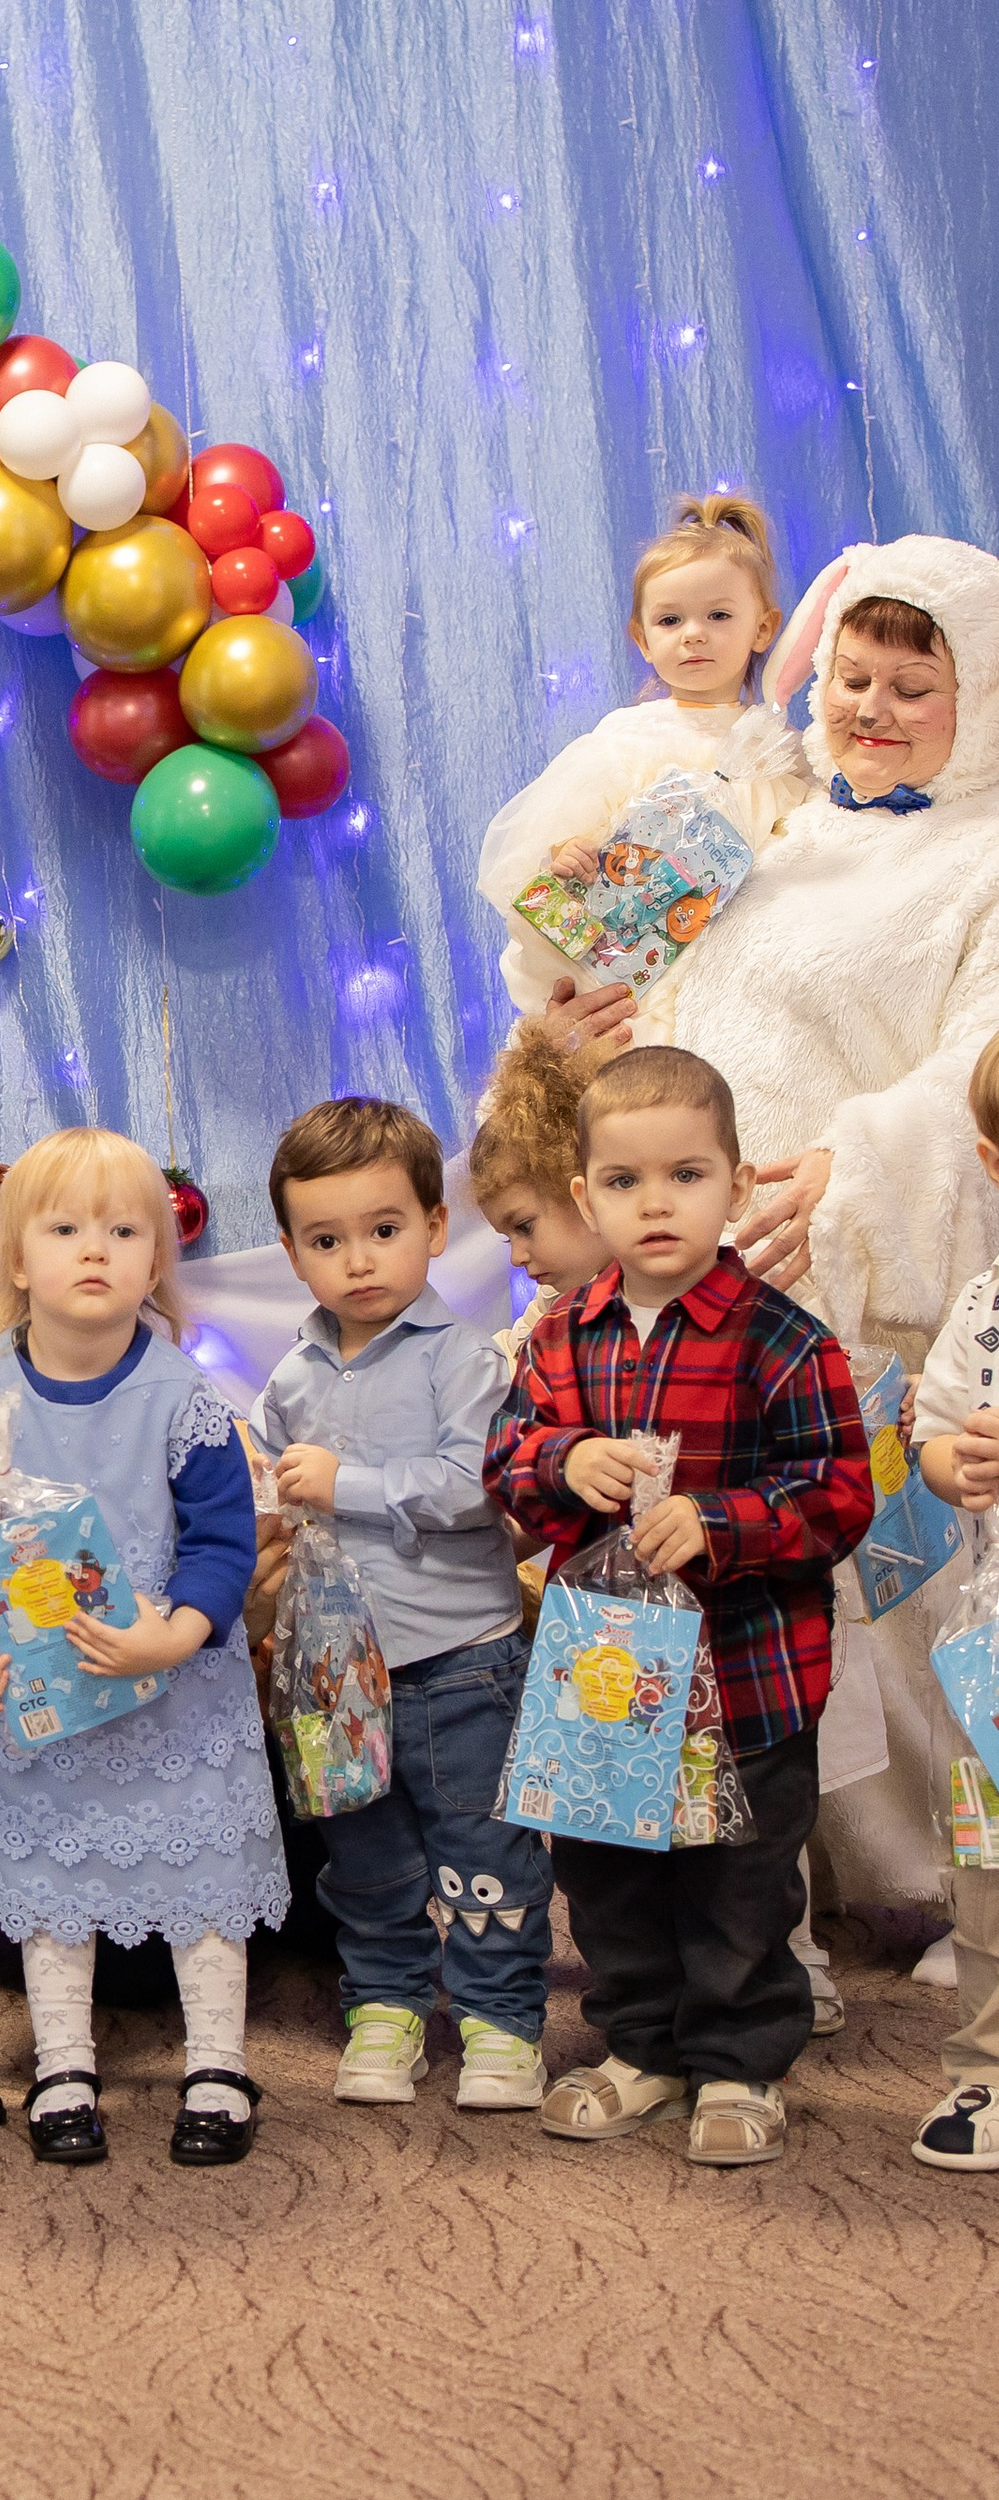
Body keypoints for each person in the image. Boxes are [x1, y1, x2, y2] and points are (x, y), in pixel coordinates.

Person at [528, 536, 999, 1914]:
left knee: (863, 1588)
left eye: (914, 685)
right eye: (854, 675)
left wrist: (853, 1171)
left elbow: (979, 1071)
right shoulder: (762, 803)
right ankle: (731, 1896)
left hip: (838, 1264)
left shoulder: (987, 859)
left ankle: (918, 1887)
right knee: (691, 1575)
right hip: (687, 1253)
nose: (870, 708)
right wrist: (572, 1014)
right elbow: (609, 962)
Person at [486, 1047, 872, 2167]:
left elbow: (839, 1490)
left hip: (744, 1674)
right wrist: (565, 1459)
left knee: (737, 1877)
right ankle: (642, 2044)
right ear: (582, 1196)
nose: (654, 1203)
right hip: (603, 1672)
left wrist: (724, 1520)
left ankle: (739, 2059)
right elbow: (505, 1461)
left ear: (736, 1186)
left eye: (686, 1175)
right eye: (622, 1181)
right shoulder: (559, 1336)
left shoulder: (782, 1339)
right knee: (605, 1867)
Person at [0, 1130, 286, 2170]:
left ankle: (217, 2060)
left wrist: (171, 1636)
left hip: (177, 1688)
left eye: (125, 1230)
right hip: (46, 1700)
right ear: (16, 1256)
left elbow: (223, 1542)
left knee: (206, 1869)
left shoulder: (184, 1398)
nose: (97, 1249)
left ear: (155, 1259)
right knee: (55, 1877)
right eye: (66, 1227)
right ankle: (64, 2060)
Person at [250, 1100, 555, 2112]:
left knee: (481, 1845)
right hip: (336, 1667)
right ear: (293, 1255)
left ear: (434, 1225)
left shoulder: (460, 1359)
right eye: (326, 1241)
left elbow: (477, 1486)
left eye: (384, 1230)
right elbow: (272, 1487)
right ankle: (382, 2000)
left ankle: (500, 2017)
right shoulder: (289, 1376)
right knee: (364, 1846)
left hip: (458, 1654)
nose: (359, 1260)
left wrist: (348, 1484)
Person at [476, 493, 806, 1019]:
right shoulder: (626, 739)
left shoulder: (776, 752)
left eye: (718, 615)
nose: (694, 633)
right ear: (643, 639)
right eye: (671, 621)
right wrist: (568, 855)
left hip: (740, 997)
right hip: (635, 985)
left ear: (763, 628)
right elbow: (553, 852)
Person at [902, 1025, 999, 2168]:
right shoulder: (980, 1306)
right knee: (984, 1878)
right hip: (989, 1657)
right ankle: (982, 2070)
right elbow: (929, 1436)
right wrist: (949, 1466)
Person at [470, 1020, 616, 1367]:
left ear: (586, 1194)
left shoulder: (666, 1284)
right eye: (507, 1239)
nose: (517, 1257)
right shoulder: (554, 1299)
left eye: (523, 1226)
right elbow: (511, 1356)